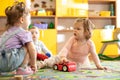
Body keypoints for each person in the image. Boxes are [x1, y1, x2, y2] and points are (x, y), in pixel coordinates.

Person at [38, 18, 107, 70]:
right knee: (55, 58)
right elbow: (66, 48)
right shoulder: (72, 39)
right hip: (67, 58)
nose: (75, 30)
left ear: (86, 32)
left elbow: (94, 55)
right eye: (74, 28)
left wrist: (98, 65)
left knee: (83, 69)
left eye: (78, 29)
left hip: (81, 63)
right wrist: (63, 57)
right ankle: (43, 63)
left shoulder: (90, 44)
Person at [0, 1, 37, 75]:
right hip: (10, 61)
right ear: (22, 20)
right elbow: (32, 49)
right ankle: (22, 69)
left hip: (1, 61)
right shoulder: (24, 32)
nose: (29, 21)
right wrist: (33, 64)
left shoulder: (6, 33)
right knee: (28, 46)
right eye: (29, 19)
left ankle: (5, 71)